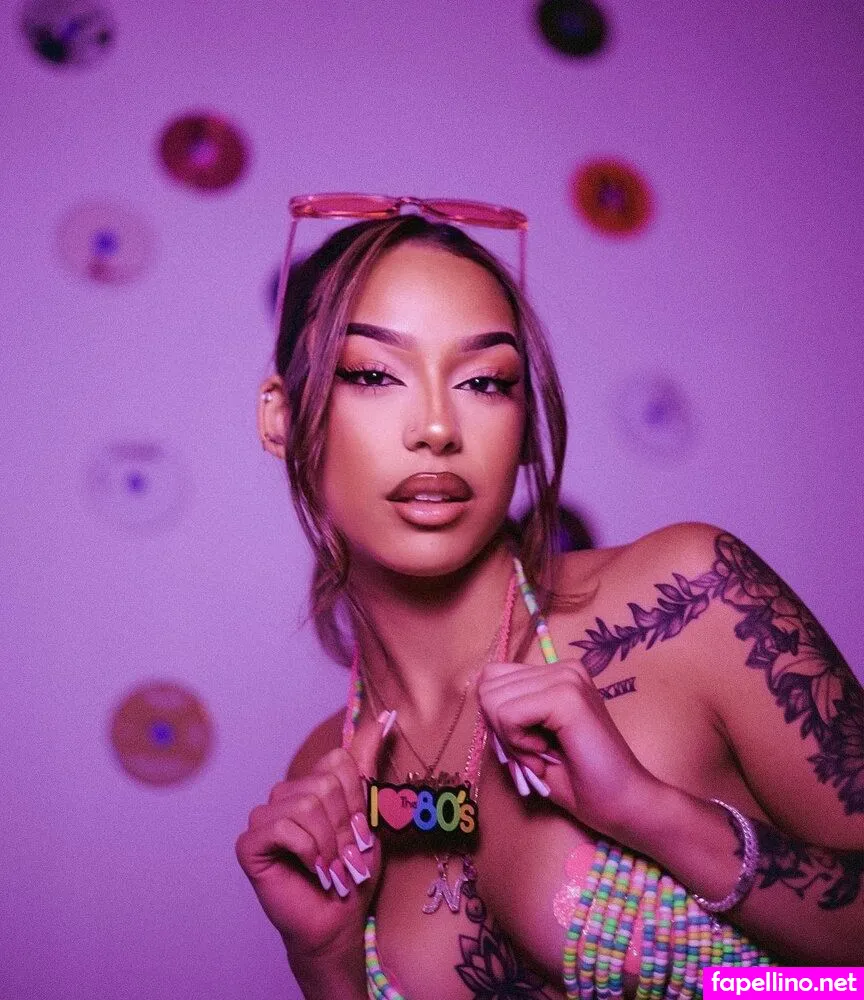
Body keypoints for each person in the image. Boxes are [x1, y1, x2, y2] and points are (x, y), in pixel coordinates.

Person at [235, 196, 864, 1000]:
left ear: (525, 420)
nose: (437, 427)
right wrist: (324, 964)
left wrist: (648, 813)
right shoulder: (326, 770)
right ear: (281, 418)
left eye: (485, 382)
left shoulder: (689, 600)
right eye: (374, 374)